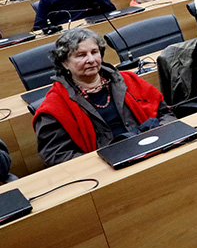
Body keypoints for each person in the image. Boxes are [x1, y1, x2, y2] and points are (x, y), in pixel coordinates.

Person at [33, 28, 176, 166]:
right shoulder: (53, 108)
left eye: (94, 52)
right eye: (81, 55)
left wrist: (160, 135)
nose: (91, 59)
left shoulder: (130, 80)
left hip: (154, 151)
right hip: (106, 169)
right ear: (64, 63)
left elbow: (165, 113)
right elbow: (56, 155)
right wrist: (103, 163)